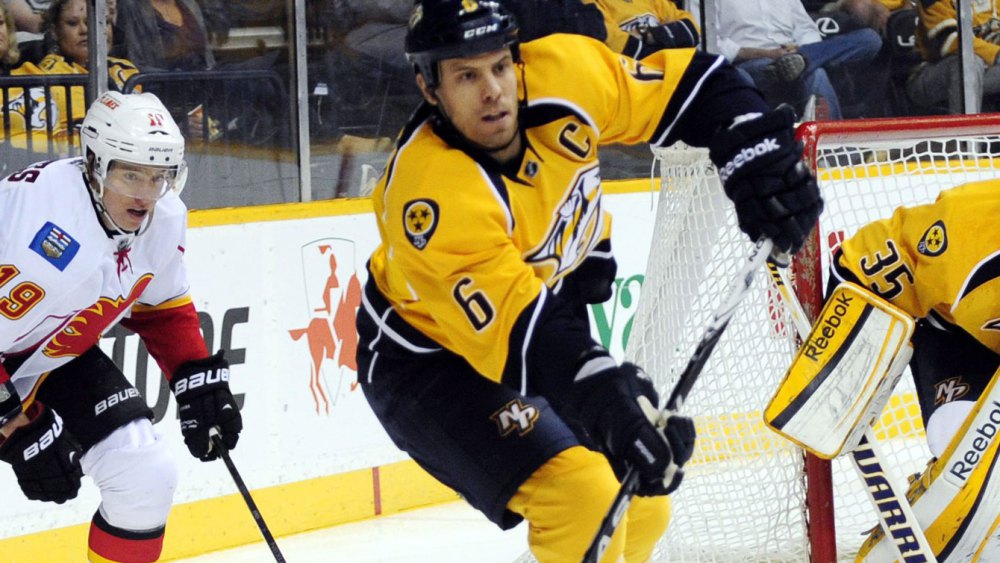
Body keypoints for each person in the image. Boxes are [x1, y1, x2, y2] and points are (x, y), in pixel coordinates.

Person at [356, 1, 822, 561]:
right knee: (584, 499)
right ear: (429, 88)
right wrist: (609, 404)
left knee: (643, 504)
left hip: (529, 329)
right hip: (429, 365)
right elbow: (530, 336)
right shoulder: (429, 195)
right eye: (466, 76)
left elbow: (694, 85)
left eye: (499, 66)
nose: (493, 91)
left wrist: (755, 149)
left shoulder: (563, 73)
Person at [0, 91, 242, 563]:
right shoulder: (33, 221)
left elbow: (162, 305)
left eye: (159, 176)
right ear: (94, 165)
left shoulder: (164, 218)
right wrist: (14, 424)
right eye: (130, 174)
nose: (145, 194)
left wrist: (195, 378)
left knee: (143, 473)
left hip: (47, 355)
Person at [828, 181, 999, 560]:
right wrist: (840, 371)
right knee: (963, 458)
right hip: (958, 340)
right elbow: (857, 265)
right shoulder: (968, 228)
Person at [702, 0, 882, 119]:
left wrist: (799, 50)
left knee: (869, 39)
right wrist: (765, 54)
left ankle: (804, 59)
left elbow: (806, 29)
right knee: (816, 73)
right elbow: (704, 42)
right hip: (750, 64)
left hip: (793, 54)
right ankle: (832, 147)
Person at [907, 0, 1000, 114]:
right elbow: (949, 41)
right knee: (967, 64)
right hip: (930, 72)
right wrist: (996, 54)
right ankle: (966, 124)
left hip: (985, 67)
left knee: (972, 64)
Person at [590, 0, 700, 59]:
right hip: (630, 74)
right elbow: (613, 42)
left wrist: (648, 35)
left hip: (670, 64)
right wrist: (665, 39)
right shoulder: (592, 4)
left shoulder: (651, 1)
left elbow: (692, 28)